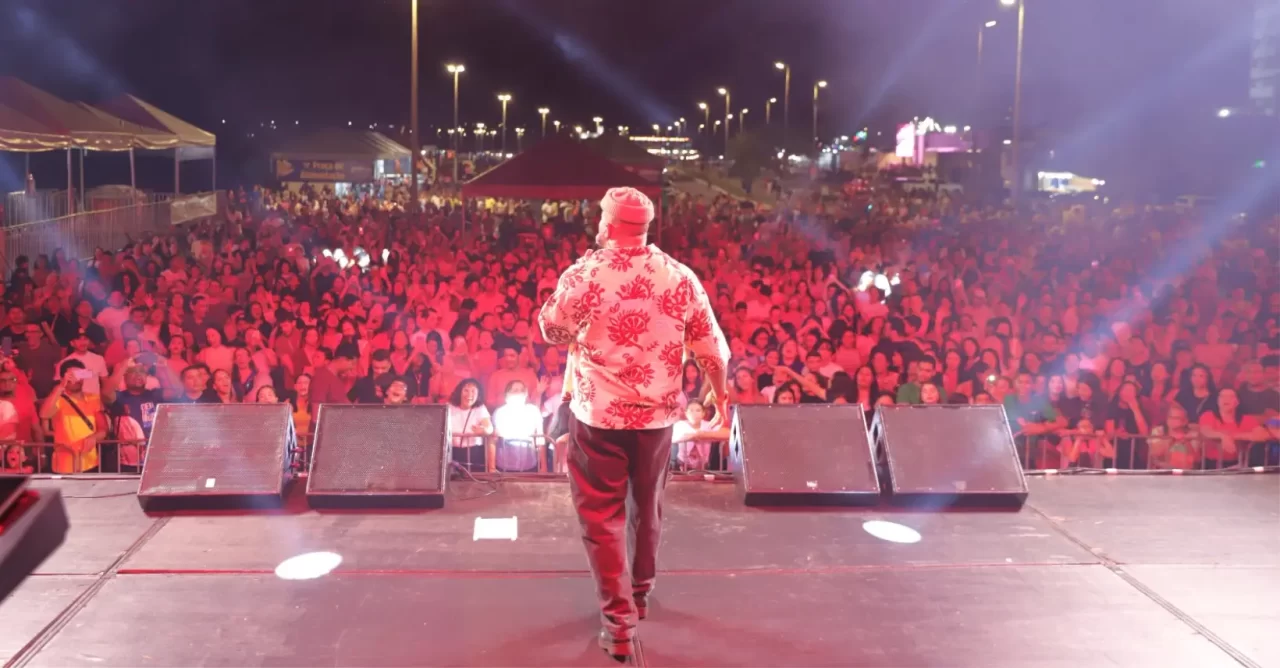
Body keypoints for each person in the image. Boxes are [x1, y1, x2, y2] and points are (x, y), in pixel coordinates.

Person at [539, 187, 729, 660]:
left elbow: (551, 329)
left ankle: (619, 622)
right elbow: (713, 351)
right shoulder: (678, 276)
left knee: (600, 517)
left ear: (607, 224)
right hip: (657, 418)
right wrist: (721, 396)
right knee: (648, 504)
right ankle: (640, 593)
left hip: (598, 418)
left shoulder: (585, 274)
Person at [40, 360, 109, 473]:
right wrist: (61, 386)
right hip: (64, 464)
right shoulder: (57, 399)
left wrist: (94, 437)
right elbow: (44, 414)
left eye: (79, 374)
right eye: (72, 375)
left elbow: (103, 428)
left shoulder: (93, 398)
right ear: (63, 378)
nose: (76, 379)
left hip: (90, 462)